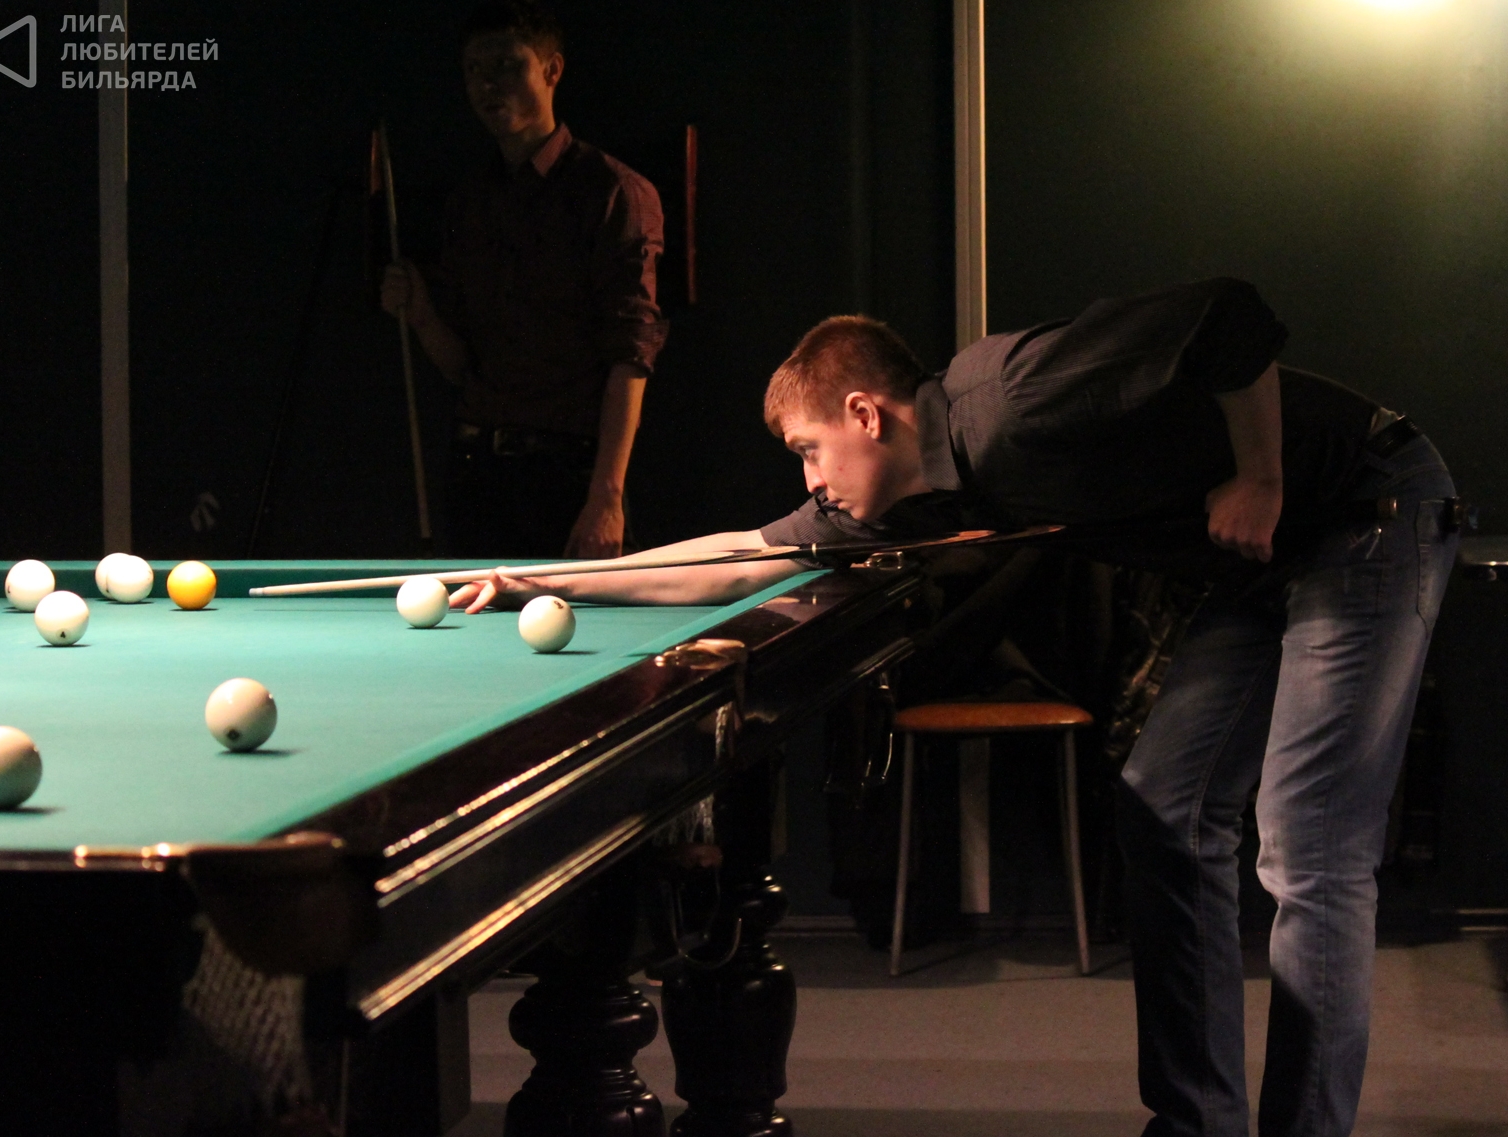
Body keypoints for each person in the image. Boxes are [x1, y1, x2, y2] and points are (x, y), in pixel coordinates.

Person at [451, 278, 1460, 1137]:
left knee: (1308, 849)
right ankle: (1198, 1123)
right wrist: (549, 580)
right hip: (1262, 562)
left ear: (864, 414)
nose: (810, 481)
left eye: (808, 450)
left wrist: (1259, 476)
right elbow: (744, 556)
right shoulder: (916, 495)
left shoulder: (1014, 396)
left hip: (1365, 508)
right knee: (1163, 806)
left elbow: (1229, 319)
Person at [381, 0, 667, 559]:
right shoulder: (469, 202)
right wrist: (420, 314)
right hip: (476, 472)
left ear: (551, 70)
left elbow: (631, 353)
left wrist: (606, 496)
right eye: (474, 70)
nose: (488, 84)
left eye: (507, 66)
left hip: (567, 476)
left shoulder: (612, 191)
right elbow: (462, 367)